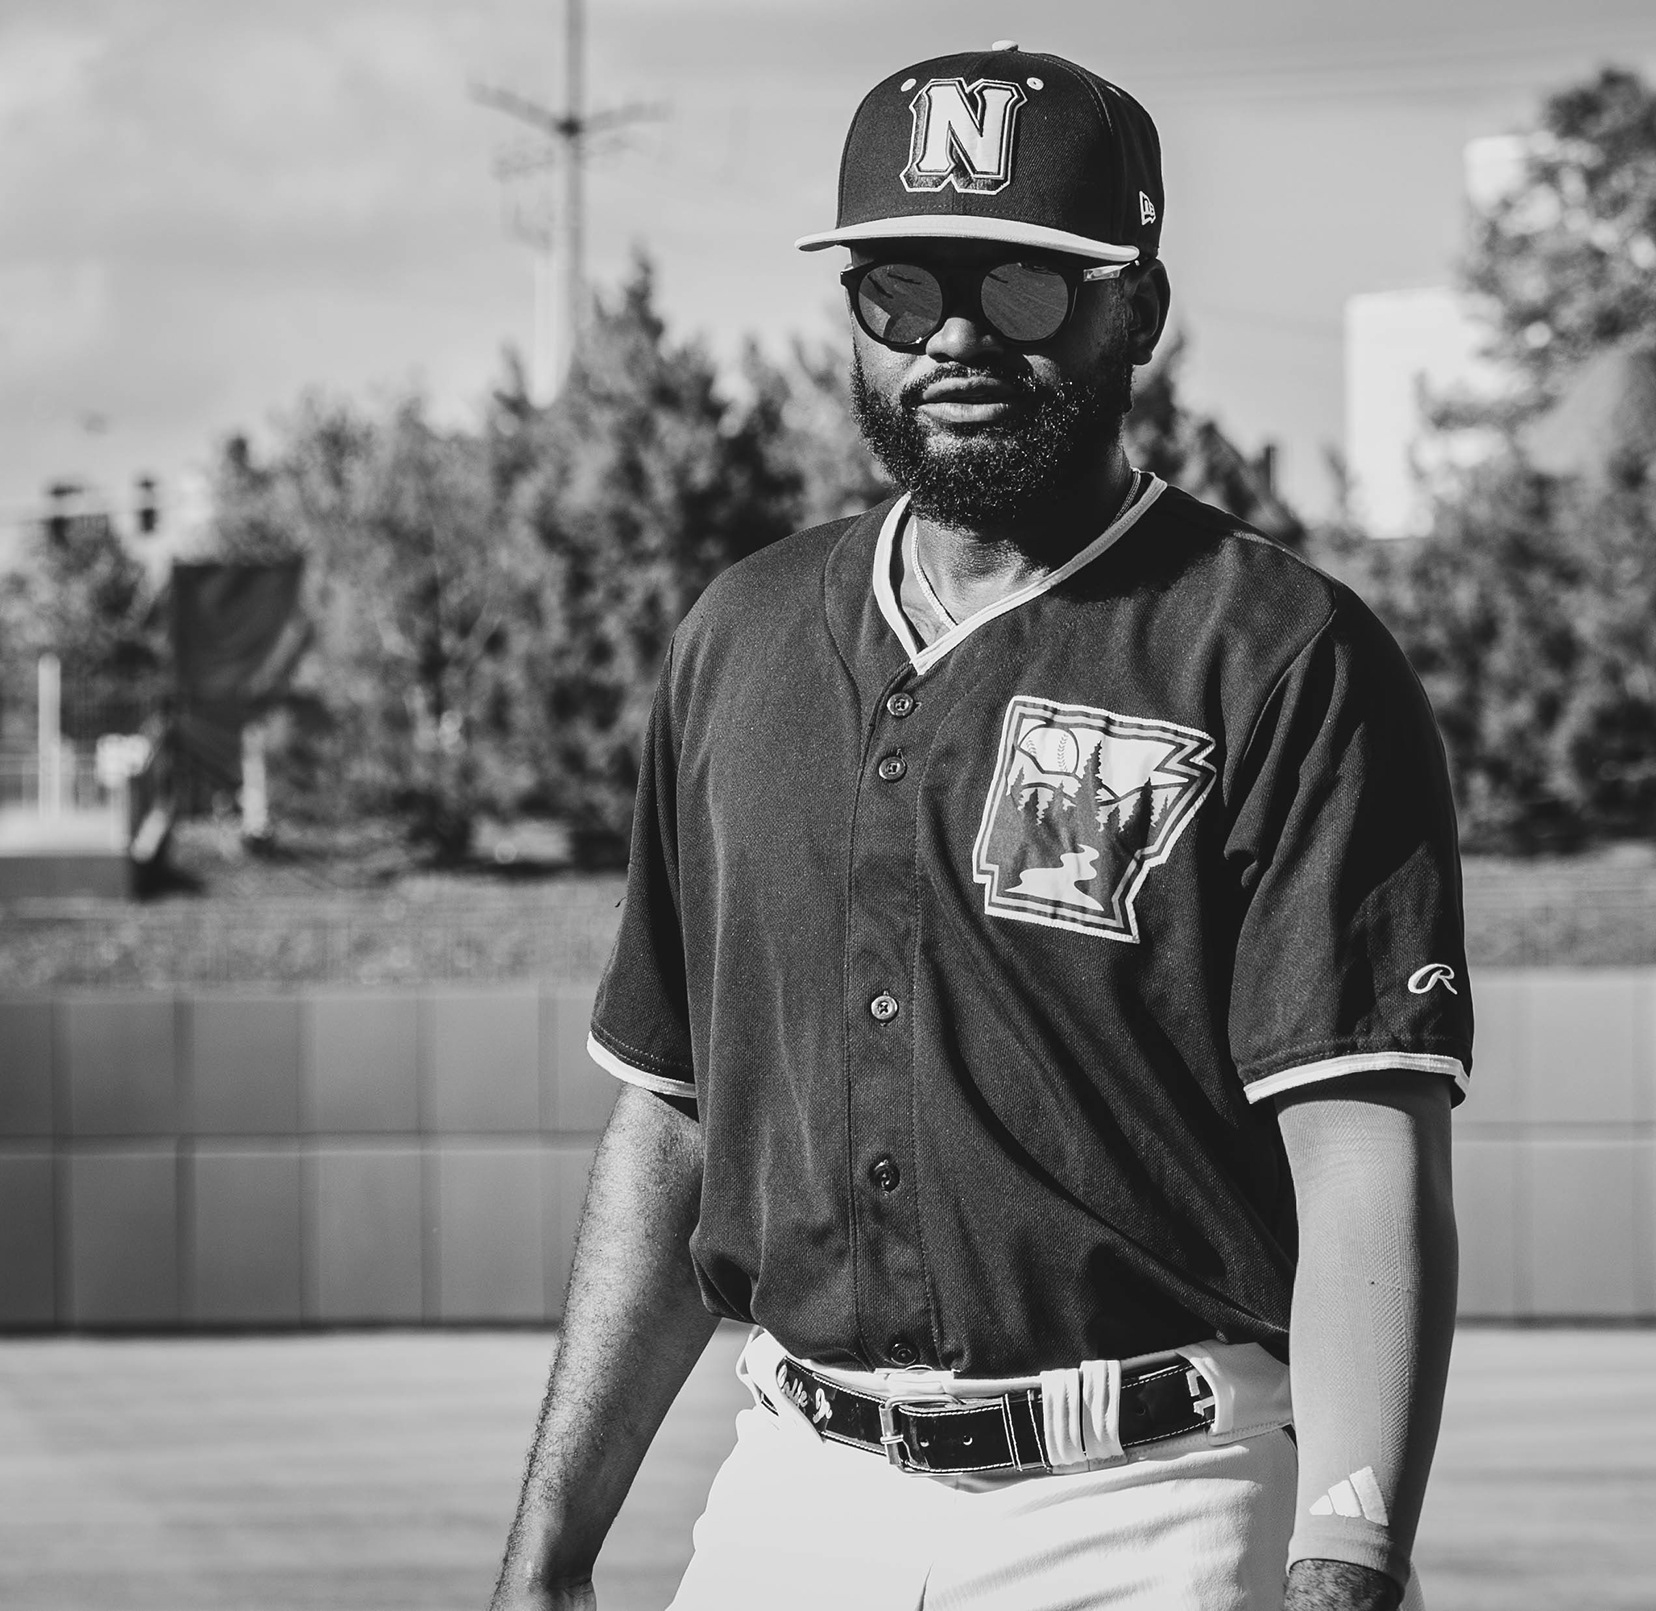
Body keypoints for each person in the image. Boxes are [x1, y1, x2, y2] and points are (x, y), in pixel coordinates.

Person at [490, 42, 1470, 1611]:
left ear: (1137, 309)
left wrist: (1348, 1555)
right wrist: (546, 1551)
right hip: (796, 1494)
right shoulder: (741, 636)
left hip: (1153, 1501)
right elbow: (673, 1118)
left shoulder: (1278, 653)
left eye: (1022, 285)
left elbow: (1361, 1151)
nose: (954, 336)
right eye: (900, 290)